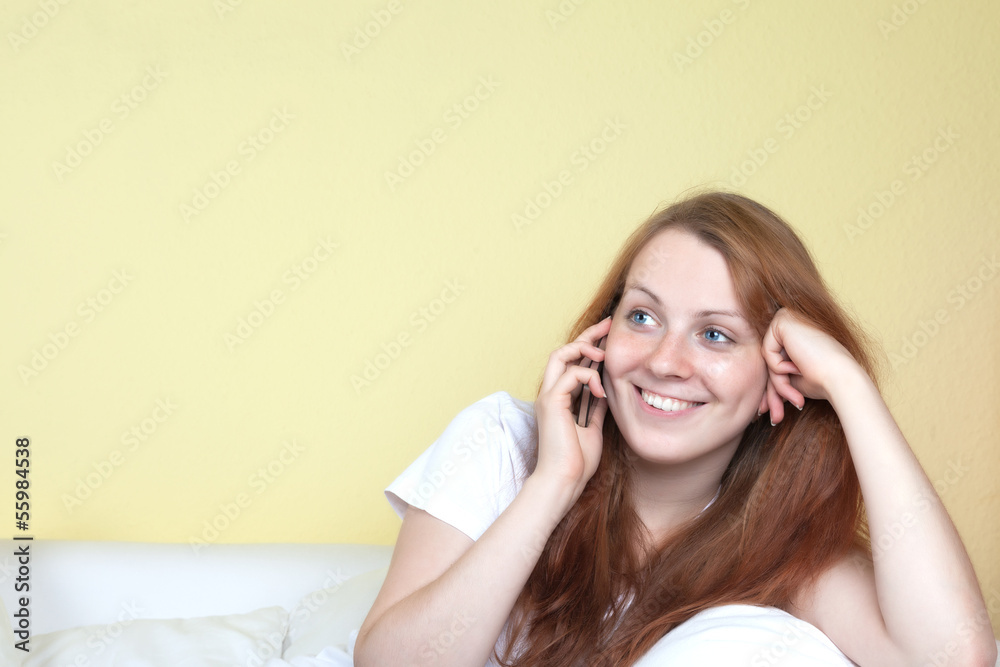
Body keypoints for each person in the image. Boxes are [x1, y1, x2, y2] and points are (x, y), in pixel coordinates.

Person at [354, 191, 997, 666]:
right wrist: (554, 482)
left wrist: (852, 388)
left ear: (781, 373)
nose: (664, 361)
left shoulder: (789, 553)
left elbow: (954, 659)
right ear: (601, 332)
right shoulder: (501, 441)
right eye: (642, 318)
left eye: (715, 334)